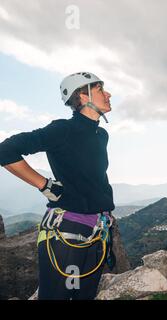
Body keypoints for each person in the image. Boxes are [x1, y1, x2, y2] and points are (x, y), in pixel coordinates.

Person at [0, 72, 115, 300]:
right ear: (82, 96)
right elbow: (5, 151)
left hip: (98, 231)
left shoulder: (101, 134)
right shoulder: (62, 130)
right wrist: (43, 184)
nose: (108, 93)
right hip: (68, 233)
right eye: (101, 89)